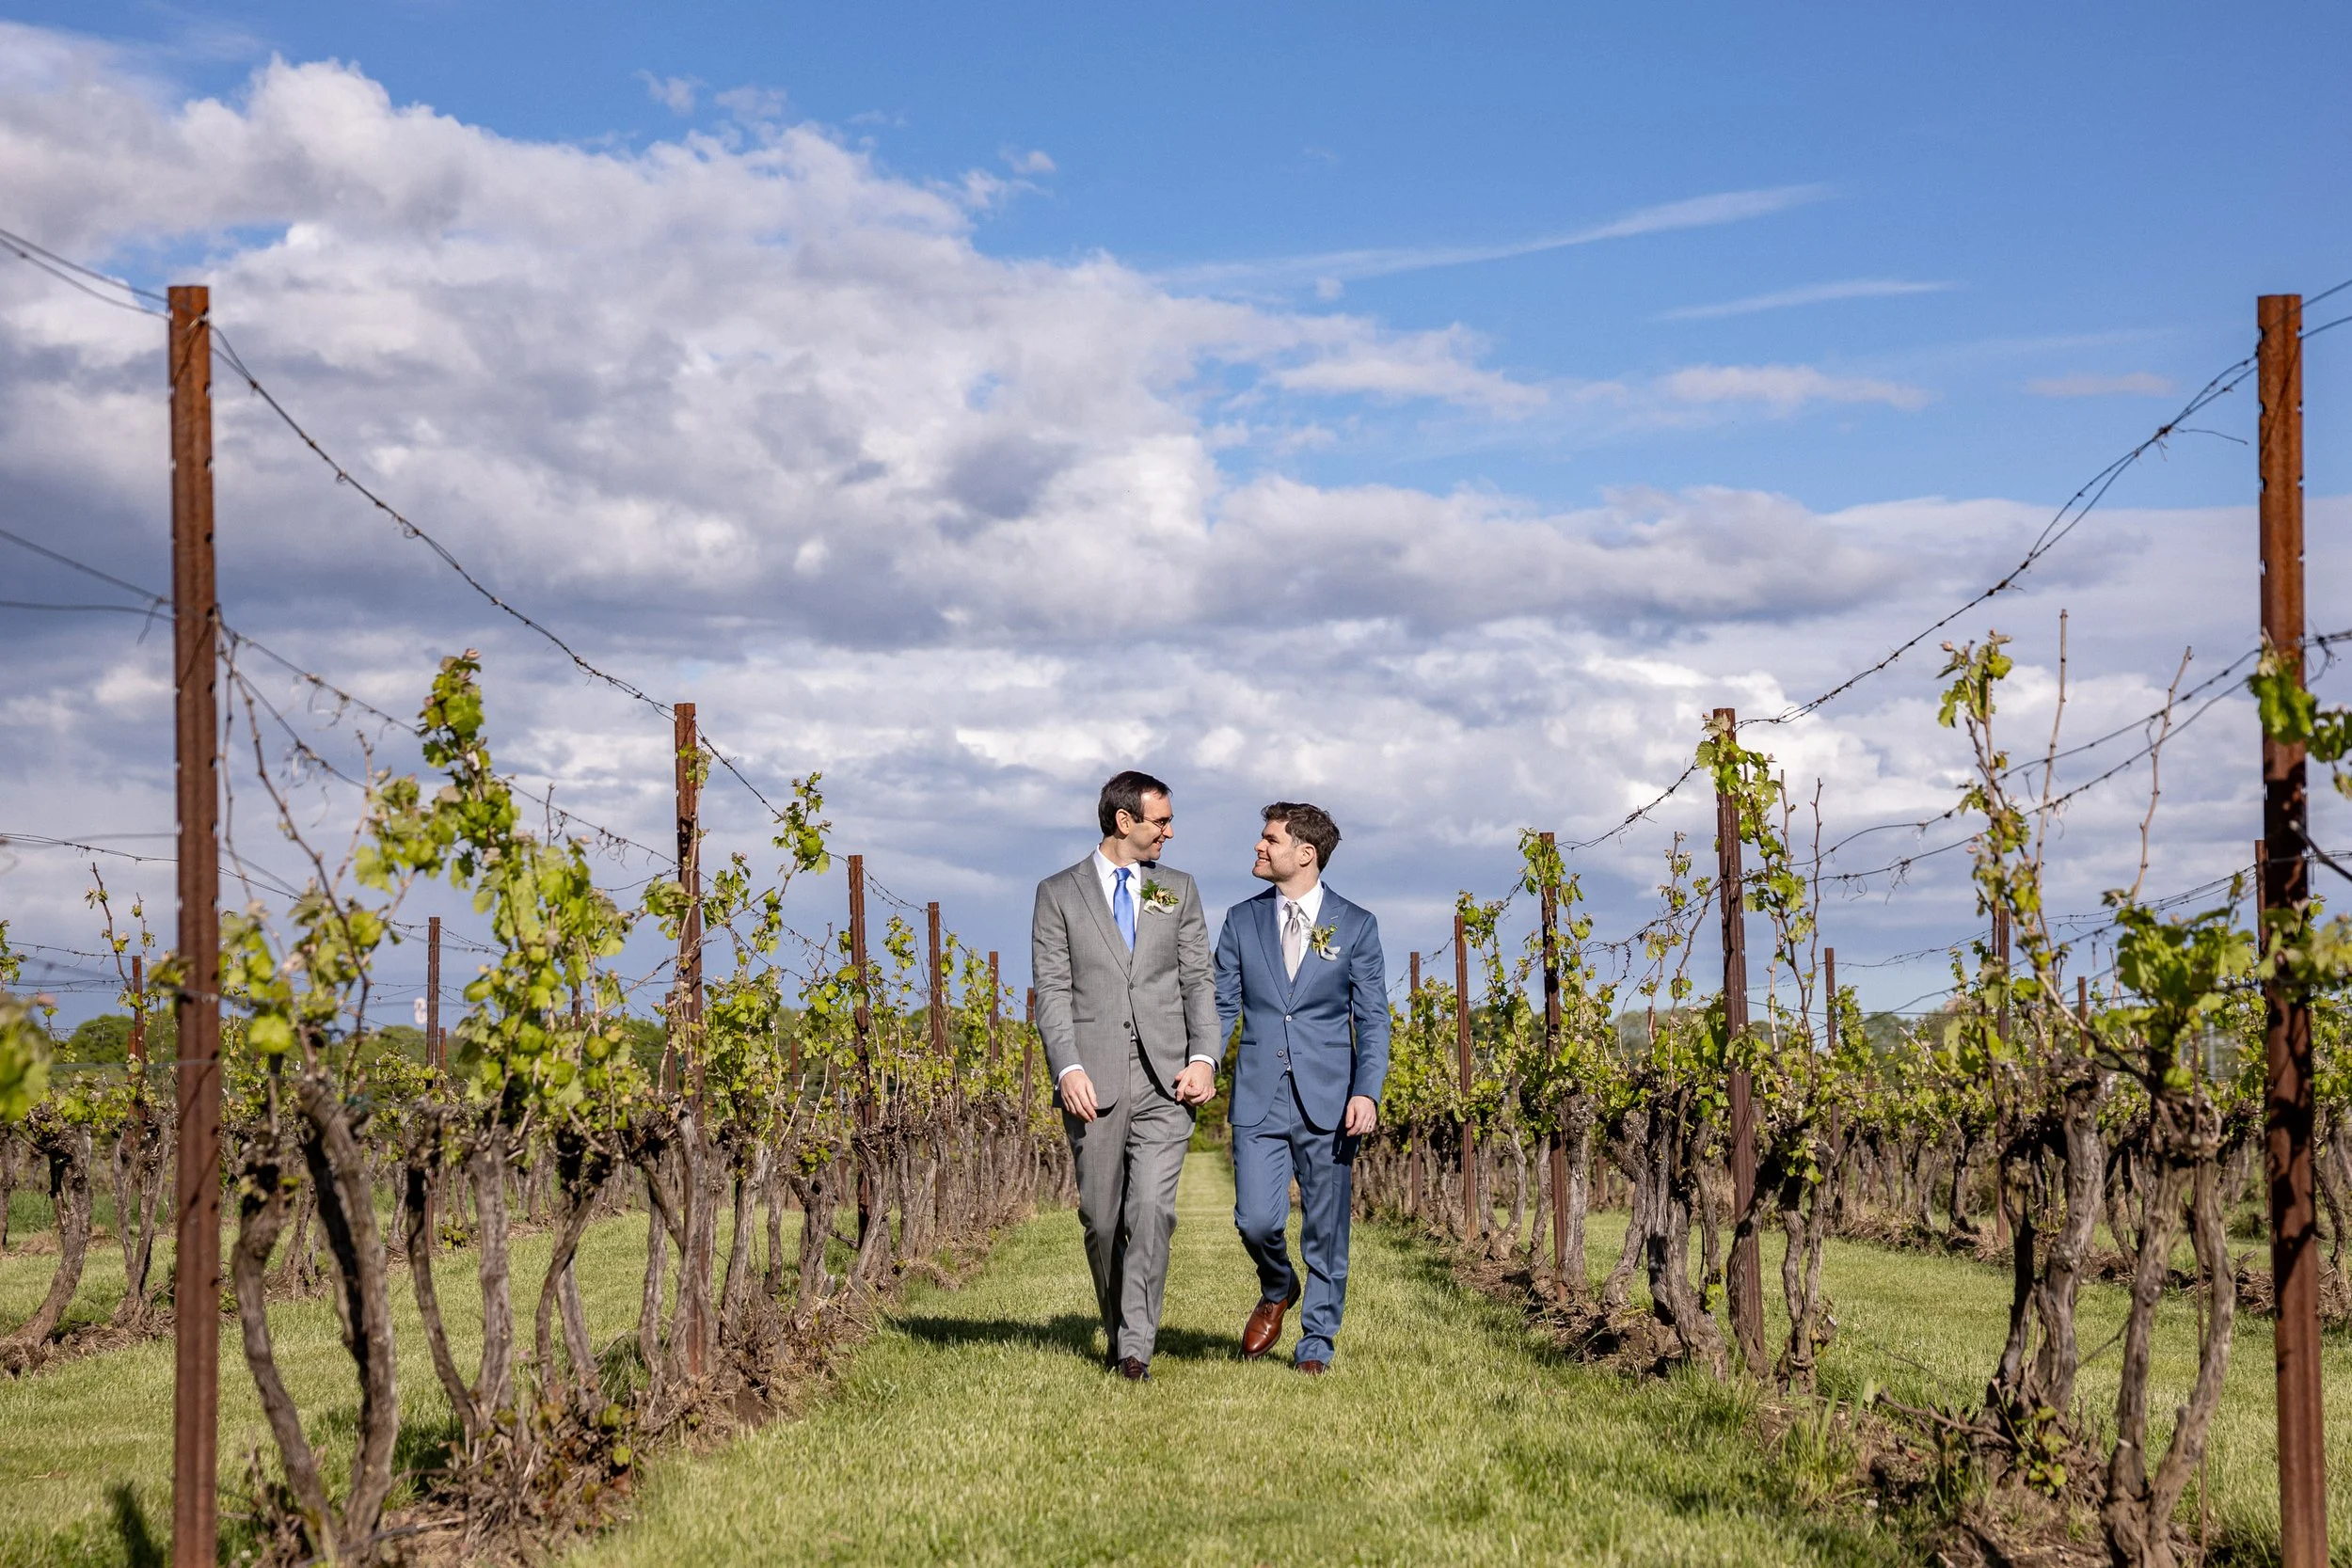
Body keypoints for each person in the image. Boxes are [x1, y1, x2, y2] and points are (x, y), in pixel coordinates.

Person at [1030, 769, 1220, 1381]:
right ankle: (1119, 1331)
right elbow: (1052, 992)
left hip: (1168, 1080)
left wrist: (1204, 1057)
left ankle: (1136, 1349)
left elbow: (1199, 981)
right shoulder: (1057, 894)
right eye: (1161, 821)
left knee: (1151, 1210)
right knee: (1102, 1218)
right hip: (1094, 1081)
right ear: (1124, 821)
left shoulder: (1178, 890)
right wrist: (1068, 1067)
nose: (1170, 832)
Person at [1214, 801, 1388, 1374]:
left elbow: (1373, 1019)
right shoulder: (1240, 921)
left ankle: (1317, 1342)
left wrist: (1366, 1091)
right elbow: (1221, 1005)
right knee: (1255, 1220)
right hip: (1258, 1094)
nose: (1259, 846)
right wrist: (1204, 1061)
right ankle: (1278, 1284)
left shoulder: (1356, 925)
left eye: (1270, 839)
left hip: (1330, 1100)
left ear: (1305, 853)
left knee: (1326, 1229)